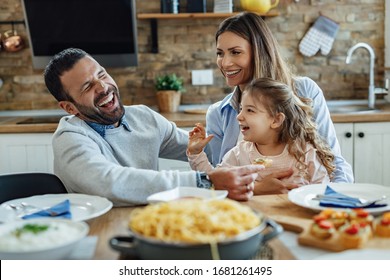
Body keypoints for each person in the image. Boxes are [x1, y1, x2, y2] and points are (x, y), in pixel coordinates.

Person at [43, 48, 264, 206]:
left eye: (101, 74)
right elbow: (109, 182)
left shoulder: (143, 117)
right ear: (69, 108)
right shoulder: (69, 139)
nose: (103, 87)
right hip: (97, 231)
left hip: (147, 220)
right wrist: (204, 181)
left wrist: (261, 154)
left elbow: (208, 151)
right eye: (87, 86)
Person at [206, 12, 353, 194]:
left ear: (259, 52)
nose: (225, 63)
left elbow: (334, 163)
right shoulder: (218, 114)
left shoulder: (305, 91)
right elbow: (218, 182)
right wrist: (259, 188)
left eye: (235, 52)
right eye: (220, 53)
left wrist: (336, 203)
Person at [188, 78, 335, 193]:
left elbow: (323, 192)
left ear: (276, 120)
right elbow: (214, 182)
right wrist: (196, 154)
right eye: (241, 109)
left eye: (250, 110)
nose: (239, 116)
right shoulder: (240, 153)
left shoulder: (305, 152)